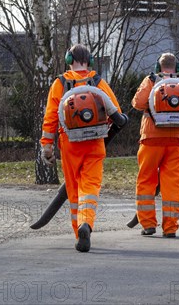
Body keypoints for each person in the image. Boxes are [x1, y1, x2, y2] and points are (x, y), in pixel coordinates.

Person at [40, 44, 127, 252]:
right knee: (90, 186)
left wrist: (47, 147)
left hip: (69, 144)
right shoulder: (98, 82)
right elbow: (117, 113)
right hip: (95, 143)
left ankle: (78, 233)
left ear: (69, 60)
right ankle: (85, 224)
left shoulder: (60, 84)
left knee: (74, 189)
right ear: (90, 60)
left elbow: (51, 117)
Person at [131, 52, 179, 238]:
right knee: (173, 183)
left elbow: (138, 104)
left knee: (146, 180)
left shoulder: (151, 81)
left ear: (157, 67)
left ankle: (148, 224)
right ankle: (170, 227)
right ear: (177, 68)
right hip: (177, 142)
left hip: (151, 140)